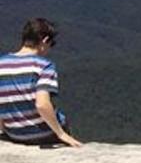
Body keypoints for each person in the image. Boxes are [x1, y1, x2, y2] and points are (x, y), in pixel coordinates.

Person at [0, 18, 84, 148]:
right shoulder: (43, 66)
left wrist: (4, 129)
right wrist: (61, 134)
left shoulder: (2, 64)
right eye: (52, 43)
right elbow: (42, 104)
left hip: (15, 134)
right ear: (44, 40)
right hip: (44, 135)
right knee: (62, 119)